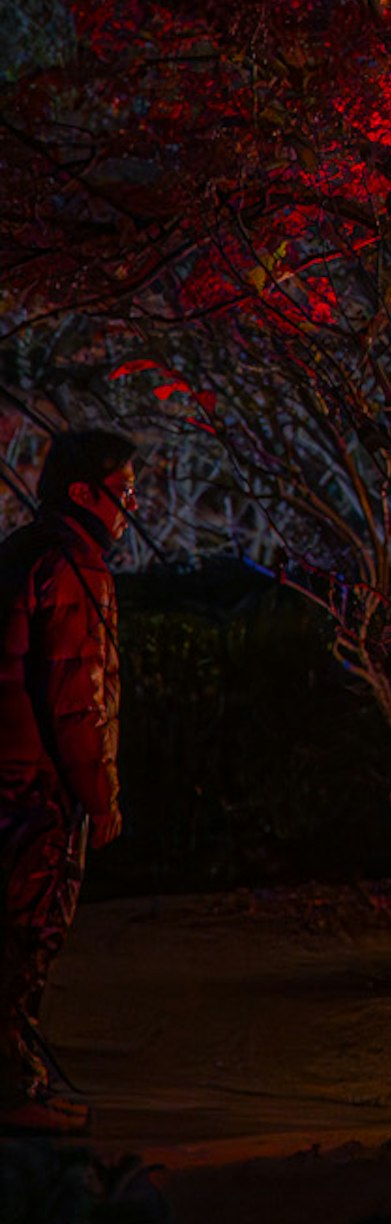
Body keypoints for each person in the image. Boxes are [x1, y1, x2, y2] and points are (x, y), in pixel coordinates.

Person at [0, 431, 129, 1134]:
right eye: (124, 490)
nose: (131, 506)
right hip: (36, 789)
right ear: (85, 492)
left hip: (11, 777)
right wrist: (99, 794)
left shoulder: (21, 553)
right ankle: (13, 1090)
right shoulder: (74, 568)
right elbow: (75, 697)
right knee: (27, 936)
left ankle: (18, 1080)